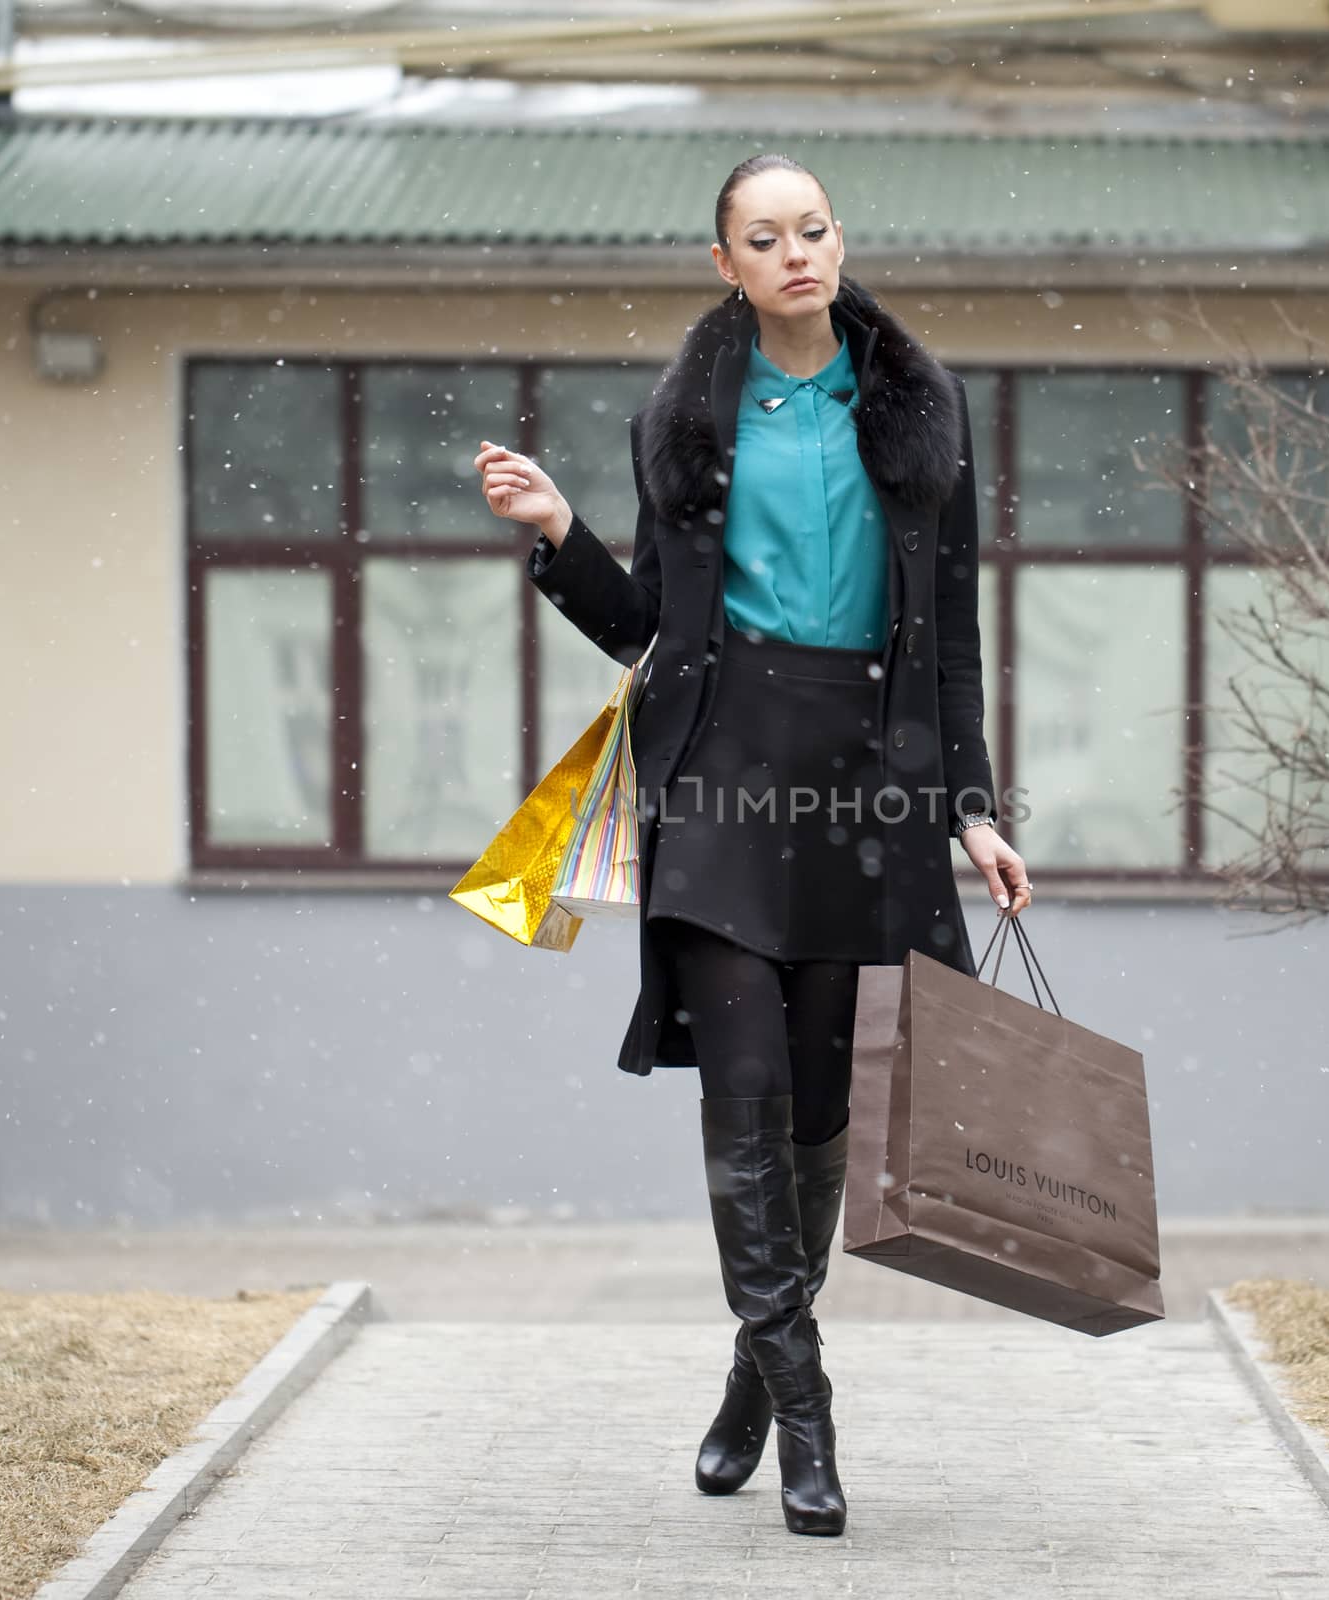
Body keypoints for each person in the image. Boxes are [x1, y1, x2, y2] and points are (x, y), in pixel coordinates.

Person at [472, 153, 1030, 1538]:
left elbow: (950, 638)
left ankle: (749, 1375)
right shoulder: (684, 416)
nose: (797, 252)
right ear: (725, 265)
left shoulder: (921, 411)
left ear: (842, 241)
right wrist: (558, 537)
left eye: (815, 228)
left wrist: (974, 806)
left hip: (868, 784)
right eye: (764, 237)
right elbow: (643, 623)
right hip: (719, 768)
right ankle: (809, 1411)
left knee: (824, 1111)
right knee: (744, 1086)